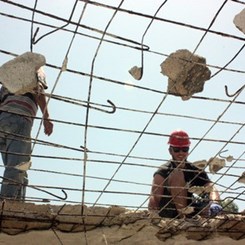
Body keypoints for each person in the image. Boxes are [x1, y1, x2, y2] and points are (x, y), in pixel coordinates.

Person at [0, 68, 53, 201]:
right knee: (17, 166)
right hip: (20, 117)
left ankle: (17, 204)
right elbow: (39, 91)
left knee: (20, 166)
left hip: (3, 120)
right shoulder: (35, 70)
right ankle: (7, 203)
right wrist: (46, 117)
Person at [148, 129, 222, 218]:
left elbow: (210, 187)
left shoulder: (195, 170)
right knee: (177, 174)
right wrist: (153, 217)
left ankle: (205, 215)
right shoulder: (163, 171)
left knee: (209, 206)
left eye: (184, 149)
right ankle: (183, 219)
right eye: (176, 150)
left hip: (189, 209)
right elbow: (154, 198)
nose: (181, 153)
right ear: (170, 151)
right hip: (168, 212)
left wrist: (215, 202)